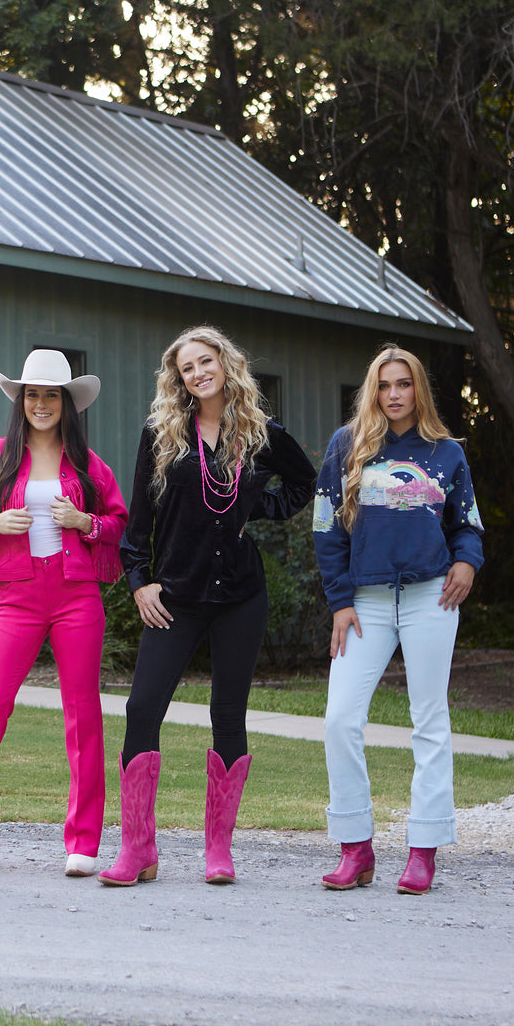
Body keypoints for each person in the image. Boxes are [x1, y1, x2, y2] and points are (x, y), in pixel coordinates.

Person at [101, 326, 315, 887]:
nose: (198, 373)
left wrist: (256, 507)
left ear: (226, 363)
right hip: (176, 594)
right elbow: (140, 520)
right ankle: (138, 850)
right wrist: (139, 581)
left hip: (240, 596)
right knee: (143, 707)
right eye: (186, 368)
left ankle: (218, 851)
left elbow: (303, 483)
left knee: (228, 714)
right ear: (180, 381)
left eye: (205, 361)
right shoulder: (162, 434)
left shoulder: (260, 433)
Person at [0, 350, 129, 877]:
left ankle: (84, 843)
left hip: (76, 598)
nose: (40, 403)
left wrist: (84, 520)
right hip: (19, 598)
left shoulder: (90, 467)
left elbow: (117, 523)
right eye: (32, 394)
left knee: (83, 717)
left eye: (50, 395)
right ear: (20, 401)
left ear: (66, 403)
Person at [312, 345, 484, 895]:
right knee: (340, 718)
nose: (393, 394)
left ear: (418, 389)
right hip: (365, 602)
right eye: (384, 384)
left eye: (403, 383)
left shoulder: (447, 452)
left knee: (428, 719)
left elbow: (468, 524)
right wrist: (339, 601)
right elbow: (325, 530)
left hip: (431, 595)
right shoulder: (347, 447)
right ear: (372, 389)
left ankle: (423, 850)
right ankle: (355, 848)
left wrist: (467, 563)